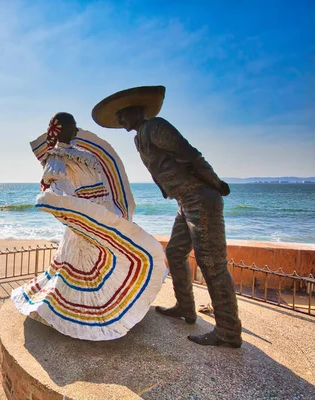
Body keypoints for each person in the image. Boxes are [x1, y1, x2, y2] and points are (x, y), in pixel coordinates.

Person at [91, 86, 242, 348]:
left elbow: (191, 155)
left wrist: (216, 183)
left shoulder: (156, 127)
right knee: (174, 252)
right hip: (184, 201)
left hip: (199, 197)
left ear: (136, 111)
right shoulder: (140, 138)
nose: (119, 121)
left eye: (122, 115)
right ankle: (186, 307)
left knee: (211, 263)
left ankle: (229, 330)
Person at [10, 112, 168, 341]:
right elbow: (59, 190)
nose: (76, 130)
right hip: (86, 219)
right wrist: (77, 212)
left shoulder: (80, 154)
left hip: (100, 215)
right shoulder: (57, 158)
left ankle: (102, 308)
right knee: (85, 266)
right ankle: (82, 315)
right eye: (72, 126)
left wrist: (106, 211)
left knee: (104, 262)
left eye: (75, 126)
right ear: (62, 129)